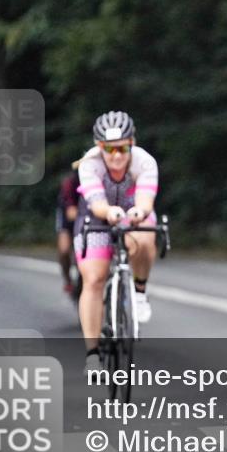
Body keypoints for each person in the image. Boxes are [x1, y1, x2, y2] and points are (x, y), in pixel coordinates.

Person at [73, 111, 159, 374]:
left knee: (145, 237)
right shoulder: (90, 164)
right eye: (109, 149)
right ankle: (92, 354)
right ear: (100, 147)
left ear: (132, 142)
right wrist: (109, 212)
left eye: (122, 147)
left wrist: (138, 213)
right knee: (94, 279)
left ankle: (140, 291)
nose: (117, 155)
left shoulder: (145, 162)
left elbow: (145, 200)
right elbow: (97, 203)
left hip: (134, 212)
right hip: (98, 216)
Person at [56, 171, 81, 294]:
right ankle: (68, 279)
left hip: (85, 216)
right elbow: (71, 212)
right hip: (68, 218)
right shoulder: (70, 183)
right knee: (64, 250)